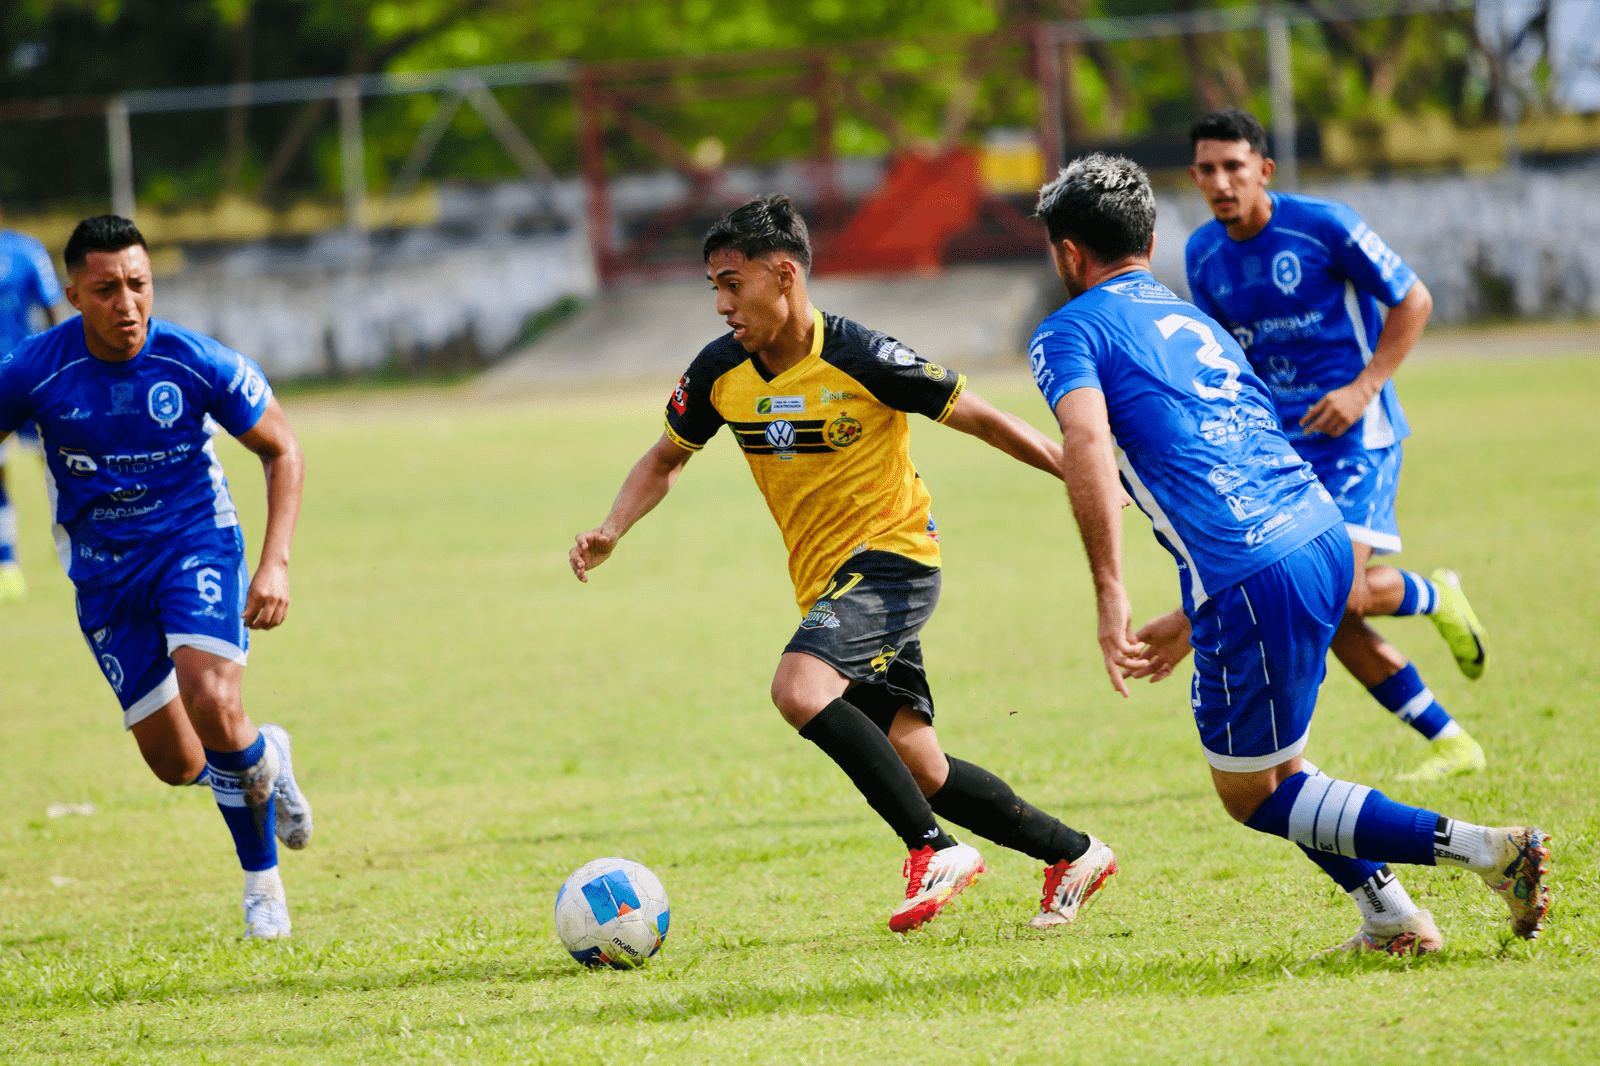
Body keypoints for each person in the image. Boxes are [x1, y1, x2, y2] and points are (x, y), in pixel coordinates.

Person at [1028, 153, 1549, 955]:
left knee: (1250, 794)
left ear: (1068, 253)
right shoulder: (1192, 319)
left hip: (1251, 566)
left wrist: (1110, 593)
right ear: (1152, 234)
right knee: (1283, 765)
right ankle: (1392, 920)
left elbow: (1088, 441)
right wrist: (1194, 606)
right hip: (1316, 532)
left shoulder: (1067, 332)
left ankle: (1486, 850)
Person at [570, 193, 1116, 934]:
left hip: (895, 561)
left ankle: (933, 849)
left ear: (783, 274)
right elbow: (666, 459)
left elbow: (980, 416)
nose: (722, 304)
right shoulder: (720, 371)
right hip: (827, 584)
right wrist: (612, 527)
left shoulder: (862, 355)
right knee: (923, 768)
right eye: (715, 288)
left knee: (799, 686)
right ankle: (1073, 854)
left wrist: (1076, 469)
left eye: (733, 284)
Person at [0, 215, 313, 939]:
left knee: (211, 697)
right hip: (105, 578)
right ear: (74, 293)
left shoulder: (195, 361)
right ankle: (265, 762)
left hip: (193, 545)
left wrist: (275, 563)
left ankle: (262, 888)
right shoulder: (33, 370)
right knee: (177, 762)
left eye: (138, 284)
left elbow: (283, 450)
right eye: (106, 289)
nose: (127, 303)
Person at [1184, 108, 1488, 783]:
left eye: (1234, 166)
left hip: (1357, 438)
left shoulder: (1325, 225)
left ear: (1263, 170)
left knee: (1340, 595)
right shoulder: (1203, 254)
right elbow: (1227, 359)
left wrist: (1364, 387)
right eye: (1207, 169)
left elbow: (1414, 300)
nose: (1221, 181)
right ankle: (1451, 741)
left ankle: (1433, 596)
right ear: (1195, 176)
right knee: (1324, 605)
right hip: (1281, 453)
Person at [0, 207, 71, 603]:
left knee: (64, 461)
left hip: (30, 377)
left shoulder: (24, 251)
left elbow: (54, 310)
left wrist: (68, 368)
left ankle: (84, 541)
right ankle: (6, 563)